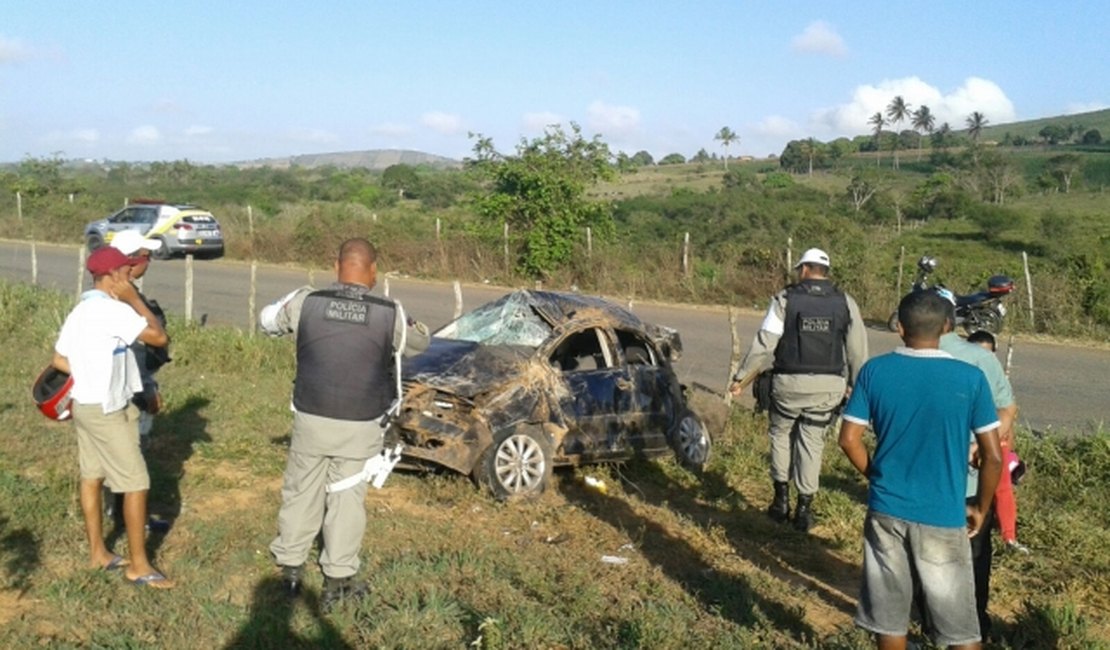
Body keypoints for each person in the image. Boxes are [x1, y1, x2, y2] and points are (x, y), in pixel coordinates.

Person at [259, 238, 429, 609]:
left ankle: (289, 570)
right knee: (347, 497)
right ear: (373, 272)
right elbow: (419, 342)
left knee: (301, 489)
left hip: (311, 416)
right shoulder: (391, 312)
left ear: (336, 266)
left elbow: (267, 320)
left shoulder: (306, 300)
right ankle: (338, 579)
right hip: (361, 422)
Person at [839, 290, 1003, 649]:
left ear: (899, 327)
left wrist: (878, 477)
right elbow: (992, 457)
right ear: (947, 327)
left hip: (887, 508)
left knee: (890, 618)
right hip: (944, 513)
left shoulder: (875, 371)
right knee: (960, 625)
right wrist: (982, 507)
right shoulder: (969, 378)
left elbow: (849, 440)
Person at [52, 246, 175, 588]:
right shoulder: (111, 310)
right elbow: (159, 337)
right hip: (108, 410)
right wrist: (135, 300)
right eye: (124, 271)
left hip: (84, 406)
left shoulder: (81, 310)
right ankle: (138, 565)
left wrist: (90, 370)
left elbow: (60, 359)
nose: (129, 276)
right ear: (111, 276)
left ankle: (98, 553)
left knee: (91, 476)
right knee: (136, 483)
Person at [729, 247, 868, 532]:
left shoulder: (784, 299)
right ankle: (804, 510)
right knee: (812, 441)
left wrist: (741, 378)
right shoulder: (846, 302)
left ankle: (780, 502)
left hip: (788, 384)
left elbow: (765, 343)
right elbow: (857, 349)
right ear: (824, 272)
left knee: (780, 434)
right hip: (829, 387)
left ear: (804, 269)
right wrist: (857, 384)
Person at [106, 230, 173, 533]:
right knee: (132, 457)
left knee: (118, 455)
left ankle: (119, 514)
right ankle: (129, 518)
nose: (150, 261)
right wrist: (148, 389)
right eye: (146, 256)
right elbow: (134, 349)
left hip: (114, 389)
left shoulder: (110, 291)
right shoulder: (126, 299)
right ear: (132, 263)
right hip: (130, 389)